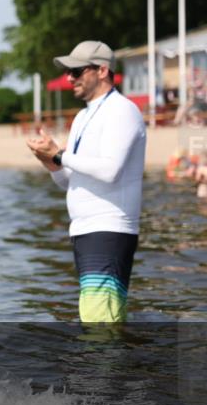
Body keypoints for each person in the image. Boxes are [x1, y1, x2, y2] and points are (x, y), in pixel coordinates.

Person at [26, 41, 146, 324]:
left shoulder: (122, 110)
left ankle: (103, 368)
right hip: (84, 228)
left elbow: (110, 170)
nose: (70, 78)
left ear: (102, 70)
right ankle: (108, 367)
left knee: (98, 320)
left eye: (77, 71)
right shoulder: (82, 116)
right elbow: (69, 181)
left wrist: (59, 154)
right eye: (69, 72)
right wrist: (51, 163)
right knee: (99, 318)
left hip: (110, 226)